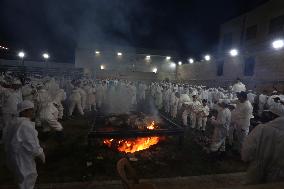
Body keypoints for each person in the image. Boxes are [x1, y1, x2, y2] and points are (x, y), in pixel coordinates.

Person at [3, 100, 45, 189]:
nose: (33, 112)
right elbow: (31, 143)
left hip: (14, 155)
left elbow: (6, 138)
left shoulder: (13, 122)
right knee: (28, 177)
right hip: (23, 156)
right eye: (31, 110)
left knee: (20, 178)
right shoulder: (25, 124)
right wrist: (40, 153)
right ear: (24, 111)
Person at [241, 116, 284, 184]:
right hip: (280, 175)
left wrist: (247, 159)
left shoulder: (262, 129)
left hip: (257, 171)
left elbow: (247, 151)